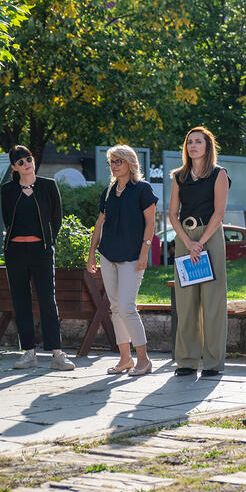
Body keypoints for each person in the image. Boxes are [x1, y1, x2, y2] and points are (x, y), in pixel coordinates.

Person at [0, 146, 74, 371]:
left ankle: (57, 354)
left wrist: (48, 243)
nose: (26, 164)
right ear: (14, 167)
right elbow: (7, 220)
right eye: (20, 162)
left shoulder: (48, 186)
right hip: (15, 251)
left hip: (41, 250)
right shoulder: (8, 190)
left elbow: (56, 218)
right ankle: (29, 352)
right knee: (20, 300)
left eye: (28, 159)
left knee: (47, 299)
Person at [87, 145, 158, 377]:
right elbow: (100, 224)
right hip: (108, 255)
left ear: (130, 163)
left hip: (132, 256)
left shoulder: (143, 189)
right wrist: (91, 253)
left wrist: (145, 252)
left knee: (127, 307)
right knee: (116, 307)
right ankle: (125, 359)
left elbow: (150, 223)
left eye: (119, 161)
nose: (115, 166)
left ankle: (144, 360)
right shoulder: (108, 191)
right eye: (112, 162)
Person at [167, 126, 230, 378]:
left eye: (198, 142)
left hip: (210, 236)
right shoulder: (179, 176)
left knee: (212, 302)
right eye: (189, 142)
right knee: (186, 302)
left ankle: (213, 363)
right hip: (185, 238)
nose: (193, 146)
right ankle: (186, 360)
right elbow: (172, 214)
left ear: (207, 146)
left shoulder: (219, 174)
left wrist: (201, 242)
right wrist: (187, 242)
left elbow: (219, 213)